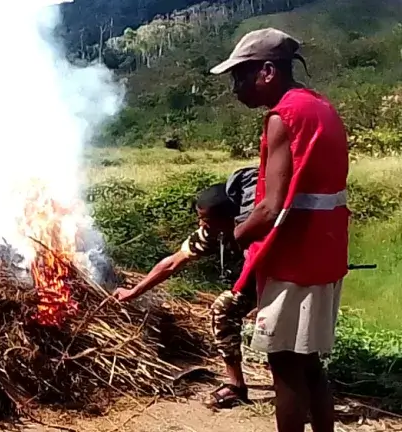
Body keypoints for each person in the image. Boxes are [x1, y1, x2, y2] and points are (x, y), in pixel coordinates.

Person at [210, 28, 349, 432]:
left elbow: (270, 209)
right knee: (307, 361)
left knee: (284, 363)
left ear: (267, 71)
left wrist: (231, 237)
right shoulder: (319, 106)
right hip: (325, 253)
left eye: (241, 76)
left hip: (295, 260)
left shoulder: (282, 117)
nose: (236, 88)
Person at [113, 166, 259, 409]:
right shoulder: (212, 233)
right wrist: (134, 291)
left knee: (223, 309)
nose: (201, 223)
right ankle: (239, 384)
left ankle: (249, 387)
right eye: (200, 217)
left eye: (206, 218)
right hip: (251, 283)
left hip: (281, 281)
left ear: (230, 217)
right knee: (227, 309)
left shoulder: (256, 230)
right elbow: (172, 263)